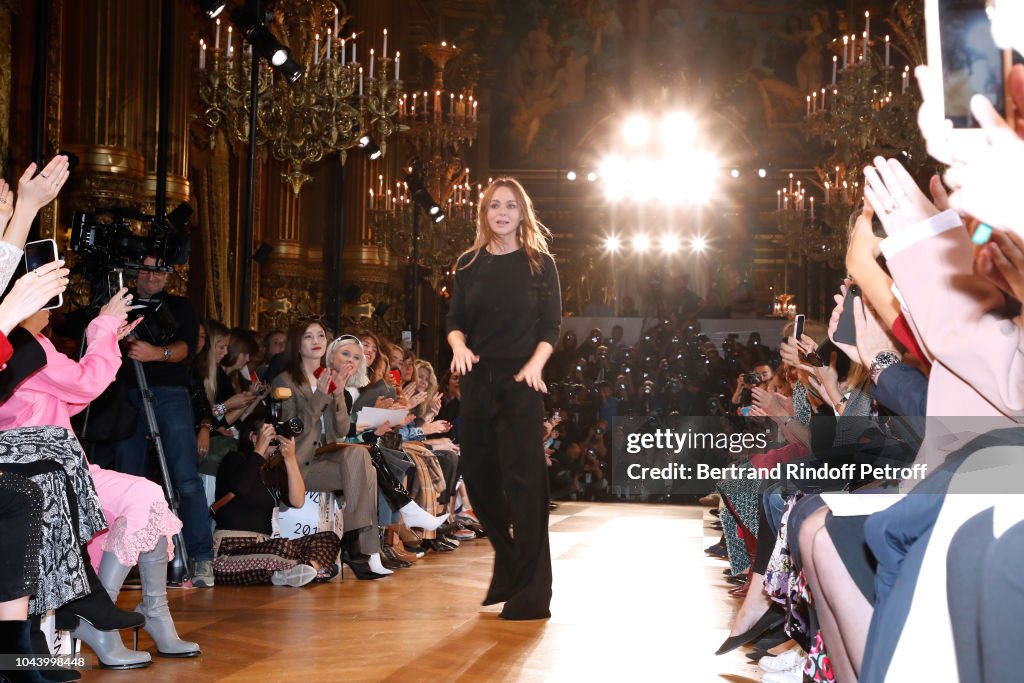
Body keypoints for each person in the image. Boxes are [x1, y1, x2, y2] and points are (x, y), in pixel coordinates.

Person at [447, 177, 562, 620]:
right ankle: (514, 565)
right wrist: (457, 345)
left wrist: (537, 363)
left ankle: (532, 593)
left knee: (527, 487)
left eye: (510, 206)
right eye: (495, 205)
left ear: (522, 213)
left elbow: (551, 325)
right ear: (485, 212)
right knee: (477, 476)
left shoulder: (540, 263)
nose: (502, 212)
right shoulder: (469, 263)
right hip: (476, 380)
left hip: (522, 380)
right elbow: (455, 319)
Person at [110, 255, 215, 587]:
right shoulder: (120, 299)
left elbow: (187, 347)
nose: (152, 275)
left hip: (169, 391)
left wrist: (156, 353)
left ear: (169, 275)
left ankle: (200, 558)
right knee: (128, 478)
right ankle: (124, 560)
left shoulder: (180, 306)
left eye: (159, 268)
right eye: (145, 267)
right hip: (126, 393)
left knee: (184, 477)